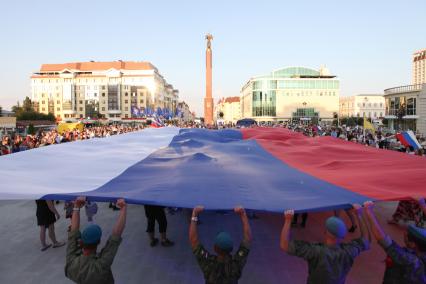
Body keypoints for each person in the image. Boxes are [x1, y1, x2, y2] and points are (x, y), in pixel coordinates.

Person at [280, 205, 370, 284]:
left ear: (325, 232)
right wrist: (359, 215)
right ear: (342, 237)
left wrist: (288, 221)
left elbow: (285, 245)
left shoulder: (316, 251)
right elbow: (366, 239)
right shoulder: (349, 251)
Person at [65, 197, 127, 284]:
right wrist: (123, 208)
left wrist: (76, 206)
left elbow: (73, 233)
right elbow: (115, 238)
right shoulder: (100, 266)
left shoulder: (72, 263)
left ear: (82, 241)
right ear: (98, 242)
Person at [364, 200, 426, 283]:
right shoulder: (418, 254)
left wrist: (369, 211)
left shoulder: (410, 260)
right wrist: (421, 203)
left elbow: (383, 239)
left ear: (412, 244)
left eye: (406, 235)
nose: (404, 234)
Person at [189, 205, 252, 284]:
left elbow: (193, 240)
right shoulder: (235, 265)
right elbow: (248, 239)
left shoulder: (209, 264)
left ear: (215, 248)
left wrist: (194, 214)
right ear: (231, 248)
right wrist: (243, 214)